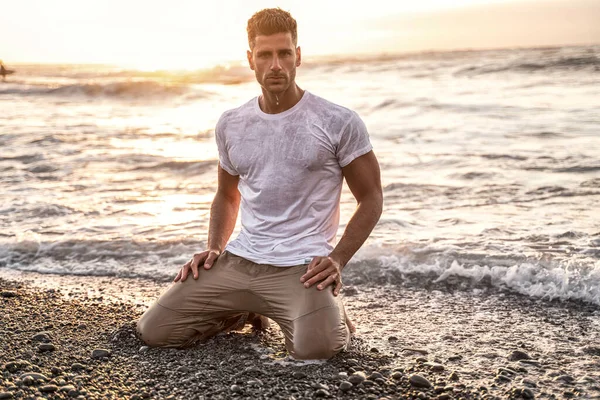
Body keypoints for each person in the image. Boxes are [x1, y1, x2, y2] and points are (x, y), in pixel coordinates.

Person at [137, 8, 383, 360]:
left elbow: (372, 198)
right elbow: (226, 195)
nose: (276, 65)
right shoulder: (232, 124)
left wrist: (338, 259)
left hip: (302, 269)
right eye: (265, 55)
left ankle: (329, 311)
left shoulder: (338, 121)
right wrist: (214, 248)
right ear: (251, 59)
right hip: (239, 262)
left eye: (284, 53)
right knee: (154, 332)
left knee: (316, 351)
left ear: (298, 55)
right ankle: (240, 310)